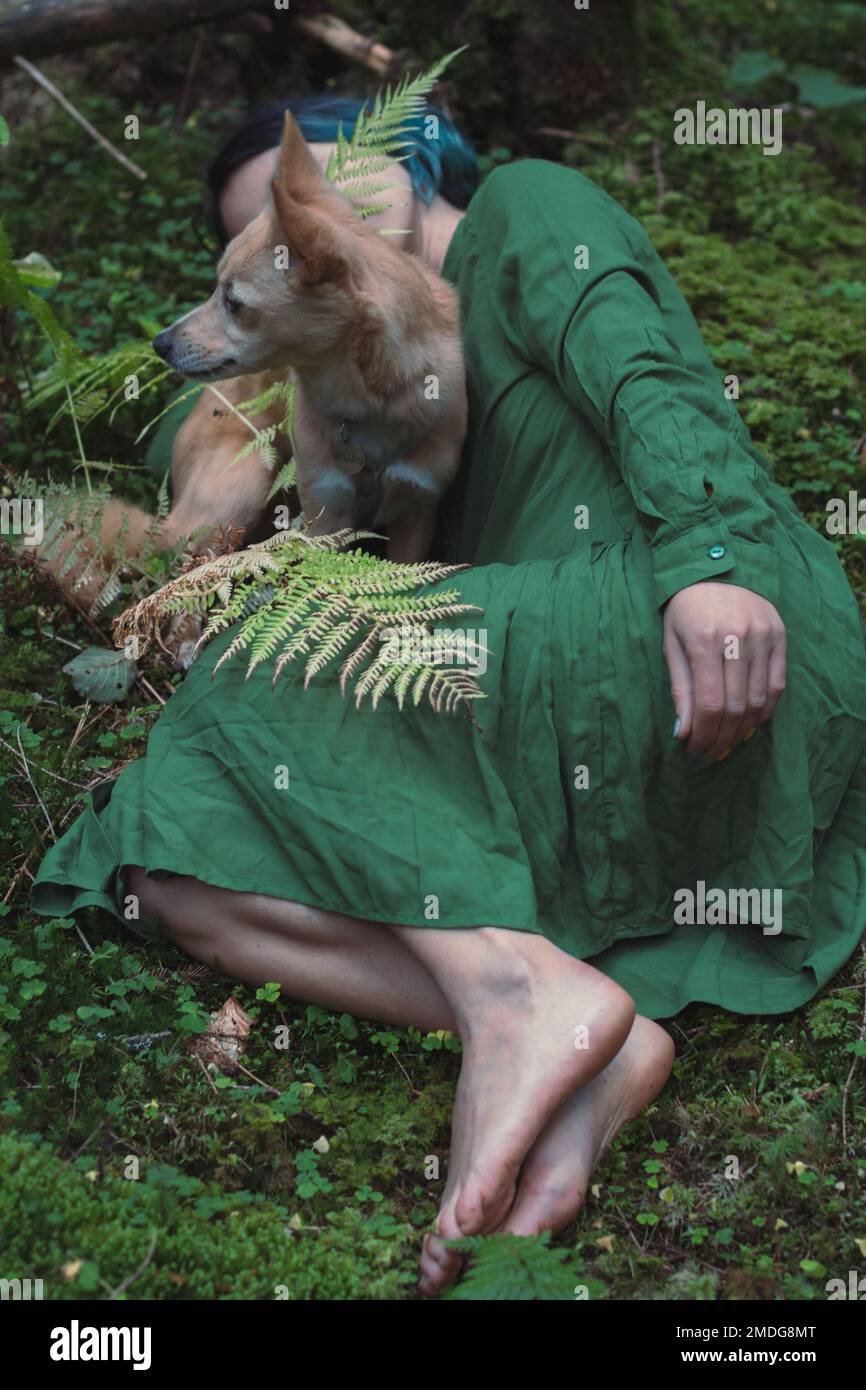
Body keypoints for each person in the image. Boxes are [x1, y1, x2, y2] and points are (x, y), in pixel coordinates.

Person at [33, 95, 866, 1297]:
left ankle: (517, 997)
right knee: (171, 866)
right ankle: (573, 1028)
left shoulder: (521, 209)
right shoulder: (373, 406)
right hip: (588, 708)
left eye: (305, 201)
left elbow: (644, 371)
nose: (306, 242)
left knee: (252, 664)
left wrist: (706, 564)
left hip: (682, 611)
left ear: (405, 157)